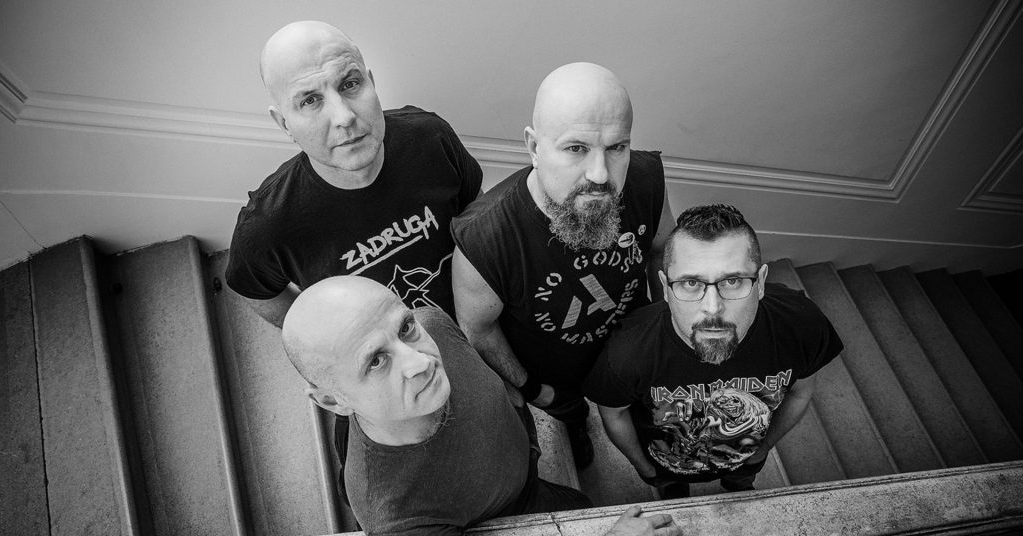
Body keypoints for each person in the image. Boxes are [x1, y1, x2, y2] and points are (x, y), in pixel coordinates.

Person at [281, 276, 682, 536]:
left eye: (404, 328)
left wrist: (516, 400)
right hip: (511, 510)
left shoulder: (431, 323)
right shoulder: (398, 518)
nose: (421, 362)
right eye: (375, 361)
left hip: (522, 470)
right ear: (333, 400)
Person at [451, 63, 674, 468]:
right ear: (534, 147)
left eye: (617, 147)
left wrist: (667, 332)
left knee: (650, 420)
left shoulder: (645, 179)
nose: (600, 174)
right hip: (555, 377)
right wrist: (535, 390)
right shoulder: (484, 240)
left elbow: (662, 252)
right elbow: (478, 330)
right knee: (571, 415)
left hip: (634, 352)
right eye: (576, 148)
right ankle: (575, 426)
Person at [226, 20, 482, 327]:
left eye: (350, 84)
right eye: (310, 100)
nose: (344, 117)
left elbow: (480, 217)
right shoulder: (267, 224)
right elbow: (258, 293)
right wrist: (329, 335)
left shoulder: (431, 137)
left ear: (371, 82)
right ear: (285, 124)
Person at [583, 204, 844, 498]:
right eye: (690, 283)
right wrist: (644, 467)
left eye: (732, 281)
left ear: (760, 283)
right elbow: (614, 415)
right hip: (667, 466)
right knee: (673, 494)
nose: (712, 308)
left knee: (741, 488)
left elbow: (801, 392)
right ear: (665, 288)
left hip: (746, 460)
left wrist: (764, 449)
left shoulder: (801, 326)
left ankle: (737, 487)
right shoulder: (626, 353)